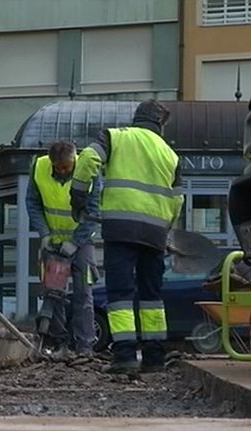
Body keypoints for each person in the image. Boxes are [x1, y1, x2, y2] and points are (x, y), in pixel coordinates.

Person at [70, 99, 183, 374]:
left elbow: (87, 159)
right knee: (152, 297)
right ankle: (155, 358)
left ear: (137, 118)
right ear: (160, 125)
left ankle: (125, 356)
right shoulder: (171, 154)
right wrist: (167, 231)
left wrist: (78, 194)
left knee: (120, 294)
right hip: (155, 233)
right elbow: (177, 200)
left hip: (121, 229)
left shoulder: (115, 136)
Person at [26, 140, 101, 357]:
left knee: (83, 293)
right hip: (53, 240)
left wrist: (75, 242)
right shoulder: (39, 167)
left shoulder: (89, 171)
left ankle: (84, 346)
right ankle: (59, 342)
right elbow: (32, 203)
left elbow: (93, 212)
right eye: (57, 166)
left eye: (65, 167)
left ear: (74, 160)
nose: (61, 170)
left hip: (82, 242)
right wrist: (44, 234)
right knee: (53, 293)